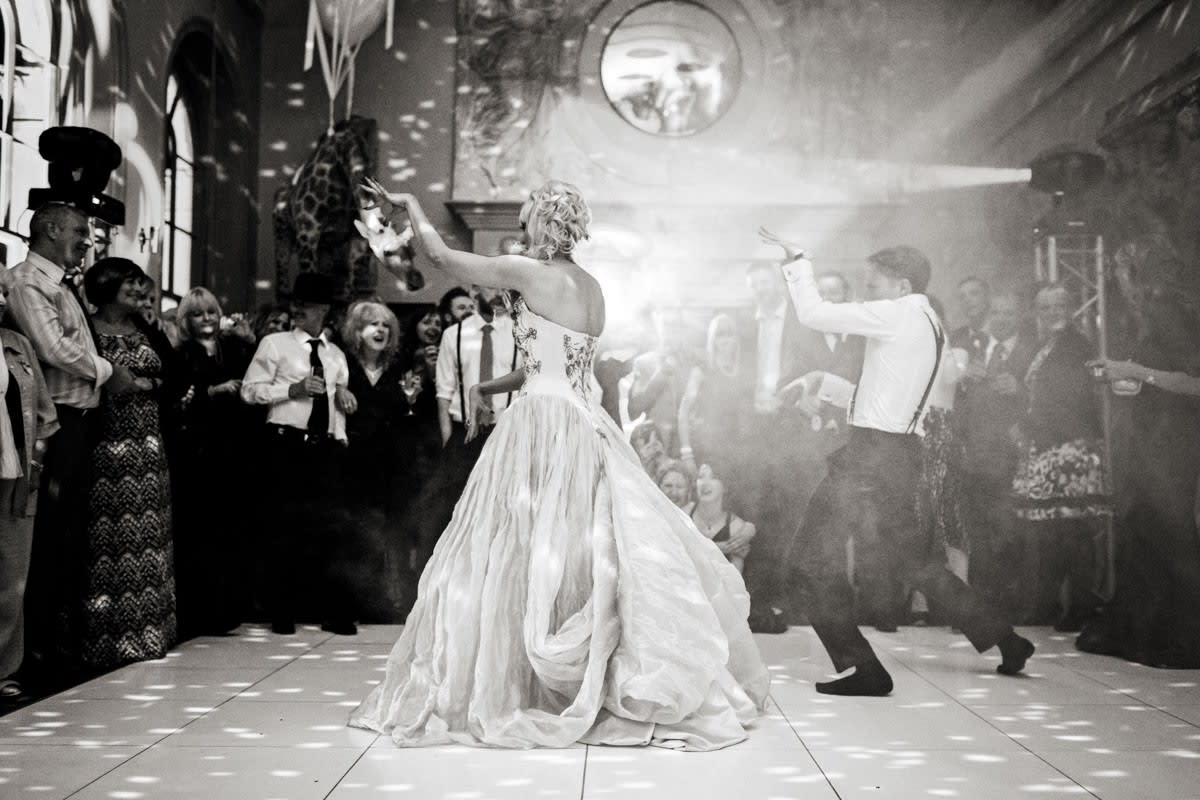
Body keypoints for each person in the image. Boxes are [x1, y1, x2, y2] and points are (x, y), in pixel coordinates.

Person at [349, 177, 768, 750]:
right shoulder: (592, 287)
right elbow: (551, 364)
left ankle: (525, 682)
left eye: (524, 217)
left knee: (520, 545)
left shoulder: (528, 272)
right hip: (584, 423)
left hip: (540, 426)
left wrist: (413, 206)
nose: (519, 226)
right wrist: (485, 388)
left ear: (542, 222)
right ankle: (569, 672)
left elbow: (442, 258)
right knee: (572, 548)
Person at [760, 229, 1033, 696]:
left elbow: (812, 313)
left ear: (902, 286)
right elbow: (881, 400)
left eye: (874, 284)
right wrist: (820, 384)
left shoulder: (899, 313)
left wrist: (798, 258)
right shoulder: (927, 322)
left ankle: (864, 668)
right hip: (899, 455)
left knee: (807, 563)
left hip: (870, 458)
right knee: (915, 563)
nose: (868, 294)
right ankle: (1007, 640)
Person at [5, 203, 137, 680]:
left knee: (65, 537)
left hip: (77, 421)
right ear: (50, 228)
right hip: (52, 423)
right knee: (45, 538)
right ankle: (33, 655)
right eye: (80, 230)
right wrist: (109, 370)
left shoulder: (60, 284)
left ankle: (54, 643)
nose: (88, 240)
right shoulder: (28, 283)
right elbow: (52, 348)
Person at [241, 272, 357, 636]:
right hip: (286, 444)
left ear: (323, 310)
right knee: (284, 527)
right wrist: (291, 390)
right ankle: (282, 610)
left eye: (307, 305)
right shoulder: (275, 344)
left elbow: (337, 396)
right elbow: (249, 391)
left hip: (326, 447)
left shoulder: (336, 354)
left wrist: (342, 421)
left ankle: (330, 610)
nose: (298, 310)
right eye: (297, 304)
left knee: (329, 529)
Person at [82, 257, 177, 669]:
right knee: (104, 540)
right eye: (131, 283)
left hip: (148, 448)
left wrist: (142, 383)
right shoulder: (87, 329)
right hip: (104, 444)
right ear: (107, 286)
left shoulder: (147, 329)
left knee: (148, 537)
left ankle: (146, 633)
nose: (140, 290)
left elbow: (175, 376)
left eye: (141, 283)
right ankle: (103, 639)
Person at [1010, 284, 1110, 630]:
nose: (1053, 312)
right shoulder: (1045, 345)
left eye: (1060, 305)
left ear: (1071, 308)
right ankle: (1049, 605)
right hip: (1047, 446)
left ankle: (1081, 606)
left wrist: (1028, 424)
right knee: (1050, 532)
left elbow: (1067, 398)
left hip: (1069, 447)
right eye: (1046, 307)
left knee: (1074, 531)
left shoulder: (1075, 345)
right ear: (1036, 312)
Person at [405, 285, 519, 570]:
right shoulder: (454, 335)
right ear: (474, 289)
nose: (498, 291)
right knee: (445, 508)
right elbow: (444, 393)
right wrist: (449, 440)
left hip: (505, 432)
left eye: (502, 283)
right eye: (490, 283)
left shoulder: (519, 331)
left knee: (503, 509)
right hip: (464, 432)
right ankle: (437, 576)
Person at [170, 286, 257, 638]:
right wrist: (213, 392)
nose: (205, 319)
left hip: (234, 449)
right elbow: (177, 401)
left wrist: (249, 341)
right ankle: (198, 614)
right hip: (198, 452)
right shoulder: (181, 354)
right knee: (199, 532)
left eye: (210, 312)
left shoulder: (232, 348)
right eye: (197, 314)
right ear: (186, 320)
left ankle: (228, 609)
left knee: (230, 531)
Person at [0, 274, 58, 700]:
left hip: (16, 470)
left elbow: (45, 413)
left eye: (3, 292)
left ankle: (3, 669)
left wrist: (36, 457)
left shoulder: (17, 344)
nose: (2, 299)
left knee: (11, 574)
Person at [341, 300, 417, 621]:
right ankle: (350, 601)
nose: (381, 330)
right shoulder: (343, 365)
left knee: (386, 532)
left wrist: (410, 400)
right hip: (351, 461)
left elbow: (406, 417)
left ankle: (380, 601)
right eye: (374, 324)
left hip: (389, 464)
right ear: (357, 330)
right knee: (354, 530)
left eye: (386, 325)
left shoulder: (399, 369)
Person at [691, 463, 756, 574]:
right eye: (700, 477)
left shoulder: (736, 526)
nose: (705, 483)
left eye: (713, 478)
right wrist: (720, 548)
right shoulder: (683, 513)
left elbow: (735, 579)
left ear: (725, 486)